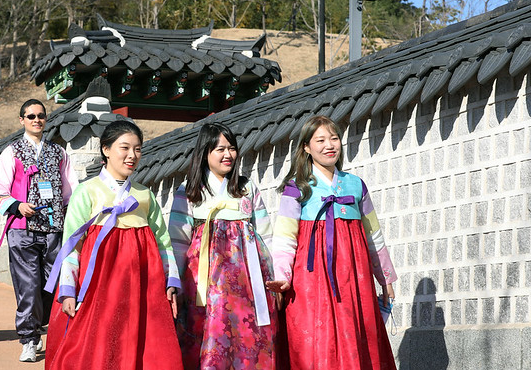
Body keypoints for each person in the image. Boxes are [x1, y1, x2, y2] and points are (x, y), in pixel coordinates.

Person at [43, 120, 183, 370]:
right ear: (106, 150)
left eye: (138, 149)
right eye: (125, 148)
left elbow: (163, 243)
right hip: (99, 284)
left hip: (142, 285)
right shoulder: (87, 192)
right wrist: (68, 290)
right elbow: (72, 244)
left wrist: (171, 282)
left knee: (146, 342)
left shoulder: (144, 195)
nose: (132, 155)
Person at [267, 115, 398, 369]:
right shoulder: (297, 188)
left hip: (353, 276)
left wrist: (385, 278)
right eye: (321, 140)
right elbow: (285, 239)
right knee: (315, 339)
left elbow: (373, 235)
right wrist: (282, 277)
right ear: (306, 147)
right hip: (311, 277)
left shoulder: (356, 185)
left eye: (334, 138)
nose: (330, 145)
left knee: (356, 333)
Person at [169, 123, 278, 370]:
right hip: (203, 282)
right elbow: (177, 240)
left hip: (248, 279)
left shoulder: (247, 187)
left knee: (249, 333)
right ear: (205, 153)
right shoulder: (189, 191)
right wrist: (174, 281)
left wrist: (274, 277)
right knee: (208, 331)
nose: (227, 154)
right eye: (220, 149)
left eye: (231, 148)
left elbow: (265, 233)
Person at [0, 99, 78, 362]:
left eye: (41, 116)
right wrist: (17, 205)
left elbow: (70, 190)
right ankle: (29, 339)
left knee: (52, 284)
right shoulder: (11, 152)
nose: (36, 120)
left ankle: (43, 328)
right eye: (31, 116)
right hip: (22, 229)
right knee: (28, 286)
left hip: (54, 228)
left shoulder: (59, 153)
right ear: (22, 120)